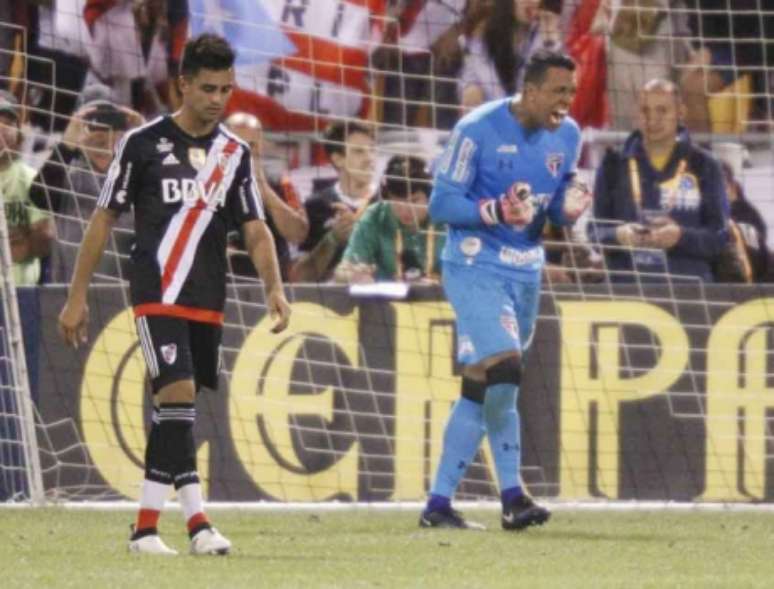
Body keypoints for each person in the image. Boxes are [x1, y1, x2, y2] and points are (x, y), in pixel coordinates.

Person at [57, 34, 291, 555]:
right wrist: (77, 296)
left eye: (226, 89)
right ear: (182, 84)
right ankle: (144, 529)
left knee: (176, 409)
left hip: (208, 294)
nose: (217, 99)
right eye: (208, 88)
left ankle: (198, 524)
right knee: (179, 392)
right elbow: (101, 222)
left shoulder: (234, 154)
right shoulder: (140, 144)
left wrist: (274, 286)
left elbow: (255, 228)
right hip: (157, 288)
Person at [421, 50, 591, 529]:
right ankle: (513, 496)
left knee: (482, 383)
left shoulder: (570, 134)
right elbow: (441, 204)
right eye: (558, 92)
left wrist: (569, 207)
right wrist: (495, 210)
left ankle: (438, 504)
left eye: (571, 93)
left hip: (525, 270)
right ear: (531, 90)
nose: (566, 101)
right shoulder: (476, 129)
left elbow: (553, 206)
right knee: (506, 366)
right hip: (474, 263)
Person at [591, 78, 729, 283]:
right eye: (645, 110)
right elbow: (595, 232)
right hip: (627, 289)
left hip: (689, 290)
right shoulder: (613, 164)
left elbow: (719, 237)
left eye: (662, 110)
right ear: (635, 114)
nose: (652, 119)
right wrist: (619, 235)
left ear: (681, 113)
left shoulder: (705, 165)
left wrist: (680, 236)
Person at [30, 100, 143, 283]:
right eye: (93, 128)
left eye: (109, 129)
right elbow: (38, 197)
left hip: (124, 294)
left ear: (121, 134)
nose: (102, 136)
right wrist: (66, 145)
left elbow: (171, 199)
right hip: (69, 292)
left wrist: (147, 140)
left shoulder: (134, 173)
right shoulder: (66, 173)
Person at [0, 90, 53, 404]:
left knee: (19, 393)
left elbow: (43, 238)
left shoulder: (28, 177)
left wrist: (17, 245)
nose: (2, 128)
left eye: (8, 121)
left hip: (20, 295)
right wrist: (15, 237)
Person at [224, 112, 309, 280]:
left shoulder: (281, 183)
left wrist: (261, 187)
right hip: (223, 289)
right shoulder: (203, 184)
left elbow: (297, 234)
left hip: (272, 288)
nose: (244, 151)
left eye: (252, 145)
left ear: (261, 145)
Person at [334, 155, 444, 284]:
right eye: (397, 201)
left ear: (430, 196)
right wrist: (354, 275)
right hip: (387, 300)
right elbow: (341, 273)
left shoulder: (448, 217)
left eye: (414, 201)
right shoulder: (375, 216)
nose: (405, 210)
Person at [289, 120, 376, 283]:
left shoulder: (387, 201)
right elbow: (300, 278)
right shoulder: (316, 205)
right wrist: (332, 239)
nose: (370, 158)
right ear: (338, 159)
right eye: (359, 152)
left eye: (372, 150)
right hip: (329, 304)